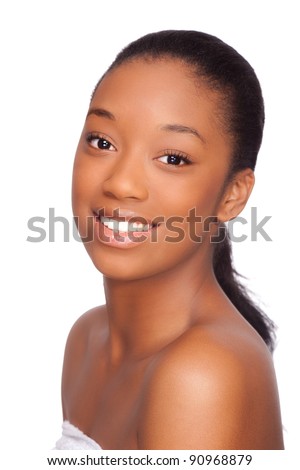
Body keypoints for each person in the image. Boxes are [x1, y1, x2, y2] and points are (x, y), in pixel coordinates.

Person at [55, 30, 284, 450]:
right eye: (102, 141)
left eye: (173, 158)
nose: (121, 183)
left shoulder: (202, 374)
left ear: (233, 195)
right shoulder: (87, 339)